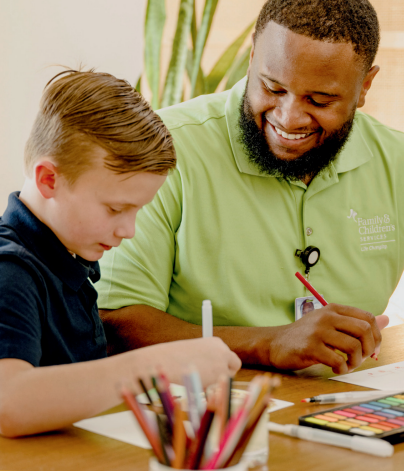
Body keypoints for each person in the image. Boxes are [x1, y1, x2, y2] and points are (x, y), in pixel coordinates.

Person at [97, 0, 397, 375]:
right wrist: (270, 343)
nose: (288, 118)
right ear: (253, 58)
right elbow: (114, 323)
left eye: (319, 100)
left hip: (343, 408)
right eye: (272, 87)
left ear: (365, 85)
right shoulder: (164, 149)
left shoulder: (395, 160)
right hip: (205, 410)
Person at [0, 70, 241, 438]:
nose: (128, 230)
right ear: (49, 179)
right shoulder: (10, 270)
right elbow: (9, 404)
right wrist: (157, 365)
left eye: (137, 211)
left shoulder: (70, 260)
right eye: (115, 209)